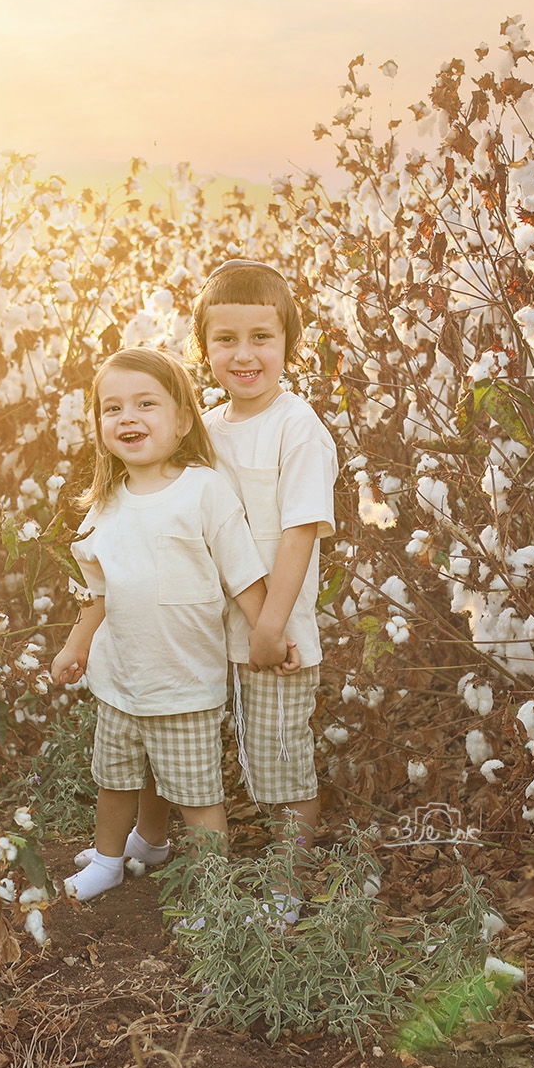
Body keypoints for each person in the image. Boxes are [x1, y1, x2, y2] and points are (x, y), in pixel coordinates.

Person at [120, 259, 339, 920]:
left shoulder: (297, 428)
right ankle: (159, 845)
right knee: (180, 741)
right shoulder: (206, 427)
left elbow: (300, 533)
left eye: (261, 337)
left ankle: (287, 881)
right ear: (203, 347)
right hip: (201, 628)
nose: (244, 355)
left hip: (275, 633)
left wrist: (271, 625)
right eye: (226, 339)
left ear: (288, 342)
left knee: (279, 763)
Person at [49, 347, 283, 902]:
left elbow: (242, 572)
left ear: (181, 421)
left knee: (197, 797)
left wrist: (267, 633)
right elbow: (95, 589)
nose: (127, 417)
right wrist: (75, 646)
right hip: (120, 678)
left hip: (183, 683)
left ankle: (213, 891)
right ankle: (113, 859)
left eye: (145, 404)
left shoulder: (202, 490)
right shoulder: (106, 501)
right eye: (112, 408)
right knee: (116, 780)